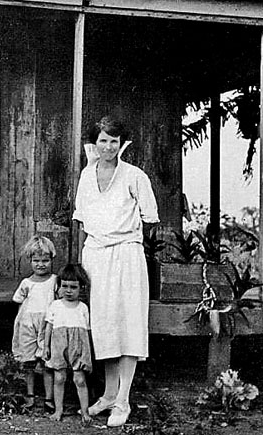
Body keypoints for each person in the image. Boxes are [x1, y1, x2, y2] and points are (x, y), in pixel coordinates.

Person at [73, 116, 159, 427]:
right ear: (95, 143)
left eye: (114, 141)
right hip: (96, 256)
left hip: (127, 256)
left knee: (128, 324)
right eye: (103, 140)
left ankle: (123, 400)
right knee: (105, 325)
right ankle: (109, 394)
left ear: (121, 144)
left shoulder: (135, 176)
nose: (108, 146)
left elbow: (150, 219)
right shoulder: (86, 176)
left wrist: (127, 242)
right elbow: (83, 221)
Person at [11, 235, 57, 412]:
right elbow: (19, 302)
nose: (40, 264)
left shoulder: (54, 281)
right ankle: (30, 396)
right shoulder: (26, 283)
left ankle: (48, 398)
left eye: (45, 260)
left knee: (47, 363)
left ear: (51, 259)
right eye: (36, 260)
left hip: (47, 325)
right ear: (30, 260)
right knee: (28, 363)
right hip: (28, 324)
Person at [43, 264, 93, 423]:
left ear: (81, 288)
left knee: (79, 379)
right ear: (59, 286)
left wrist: (89, 350)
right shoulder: (55, 306)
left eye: (73, 287)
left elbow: (88, 331)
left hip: (78, 346)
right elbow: (49, 327)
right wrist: (45, 346)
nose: (68, 290)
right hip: (58, 344)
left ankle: (85, 412)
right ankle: (58, 410)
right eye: (64, 286)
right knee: (59, 377)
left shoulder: (83, 308)